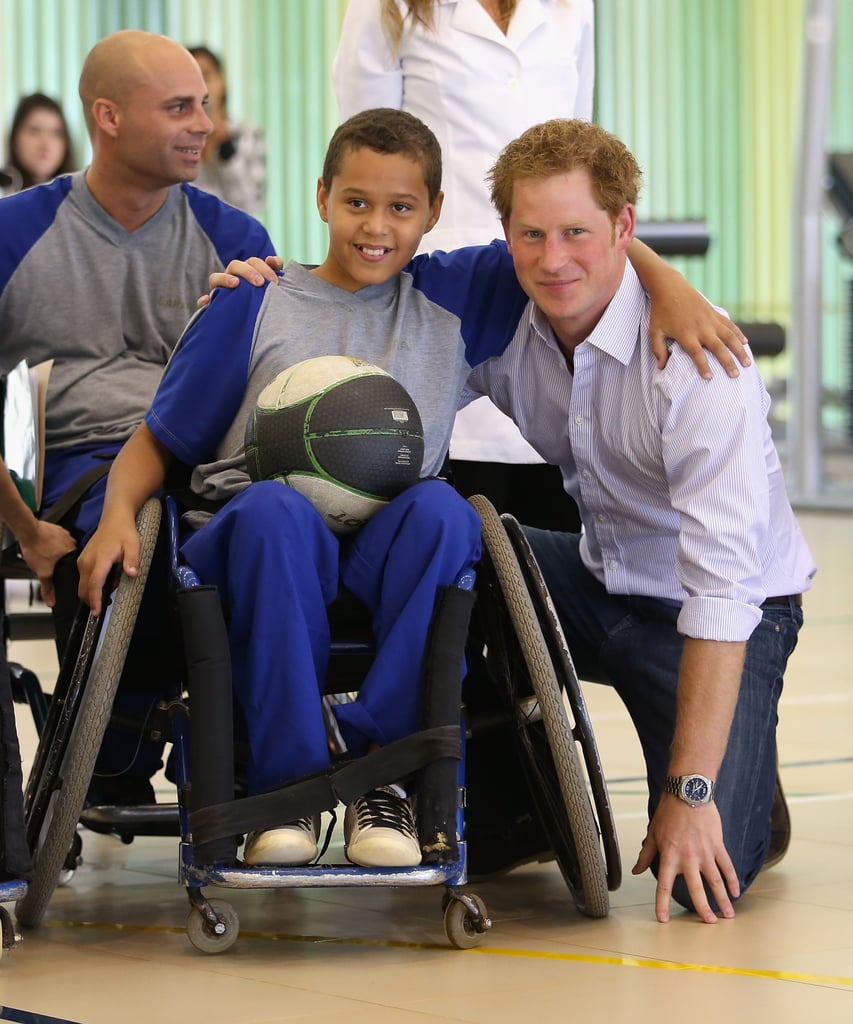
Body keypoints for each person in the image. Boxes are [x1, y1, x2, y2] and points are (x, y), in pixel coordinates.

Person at [81, 104, 748, 872]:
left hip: (378, 555)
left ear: (433, 212)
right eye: (356, 202)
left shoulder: (458, 295)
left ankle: (385, 779)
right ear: (322, 196)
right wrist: (116, 517)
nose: (376, 226)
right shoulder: (253, 300)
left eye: (401, 208)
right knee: (273, 510)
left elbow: (584, 242)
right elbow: (159, 439)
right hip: (252, 543)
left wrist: (670, 286)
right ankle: (288, 785)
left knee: (444, 511)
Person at [458, 118, 816, 923]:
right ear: (507, 233)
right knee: (443, 541)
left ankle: (737, 781)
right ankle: (510, 804)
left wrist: (691, 793)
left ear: (624, 229)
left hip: (723, 618)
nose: (553, 260)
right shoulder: (499, 323)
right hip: (597, 580)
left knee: (702, 879)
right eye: (531, 234)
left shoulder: (700, 367)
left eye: (577, 232)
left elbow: (724, 594)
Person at [0, 29, 275, 804]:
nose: (203, 125)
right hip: (77, 476)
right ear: (109, 118)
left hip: (207, 466)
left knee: (266, 527)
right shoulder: (14, 233)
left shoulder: (238, 241)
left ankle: (233, 752)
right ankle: (119, 746)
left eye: (207, 106)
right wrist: (24, 529)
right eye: (180, 107)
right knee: (142, 529)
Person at [188, 46, 267, 216]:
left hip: (233, 238)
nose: (201, 86)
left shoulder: (249, 134)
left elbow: (252, 203)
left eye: (206, 76)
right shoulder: (177, 137)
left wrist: (225, 150)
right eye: (191, 79)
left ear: (222, 81)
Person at [2, 92, 76, 195]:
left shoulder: (81, 199)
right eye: (35, 131)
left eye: (56, 133)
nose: (46, 144)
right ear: (15, 138)